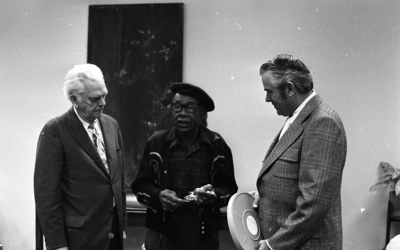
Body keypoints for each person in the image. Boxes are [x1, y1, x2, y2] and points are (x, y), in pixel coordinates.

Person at [253, 54, 347, 250]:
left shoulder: (322, 122)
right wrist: (265, 196)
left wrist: (273, 245)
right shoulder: (298, 118)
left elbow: (314, 203)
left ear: (289, 89)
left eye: (269, 92)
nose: (266, 98)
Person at [131, 82, 238, 250]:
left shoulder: (216, 145)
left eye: (189, 108)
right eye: (177, 107)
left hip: (203, 236)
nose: (181, 114)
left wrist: (213, 195)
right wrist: (159, 196)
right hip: (162, 235)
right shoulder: (156, 143)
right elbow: (139, 186)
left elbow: (229, 187)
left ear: (202, 113)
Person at [34, 64, 126, 250]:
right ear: (74, 99)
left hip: (112, 234)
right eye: (94, 99)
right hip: (78, 239)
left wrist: (122, 224)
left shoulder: (111, 125)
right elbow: (46, 196)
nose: (103, 103)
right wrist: (57, 244)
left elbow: (118, 179)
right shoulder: (56, 130)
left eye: (104, 95)